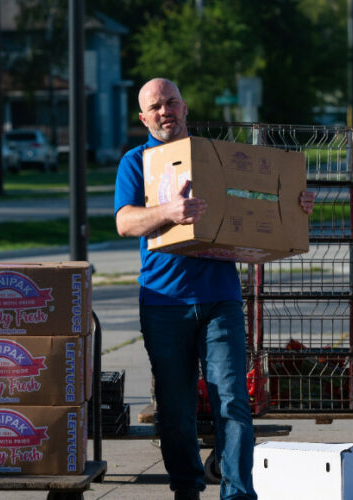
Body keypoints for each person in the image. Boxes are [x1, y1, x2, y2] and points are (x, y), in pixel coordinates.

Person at [114, 77, 315, 500]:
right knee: (176, 408)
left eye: (171, 102)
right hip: (164, 301)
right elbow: (124, 221)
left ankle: (238, 493)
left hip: (220, 298)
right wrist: (169, 211)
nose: (165, 111)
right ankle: (186, 490)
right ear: (143, 117)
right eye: (156, 107)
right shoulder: (135, 162)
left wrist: (293, 204)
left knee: (232, 401)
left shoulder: (215, 158)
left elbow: (254, 199)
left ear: (185, 108)